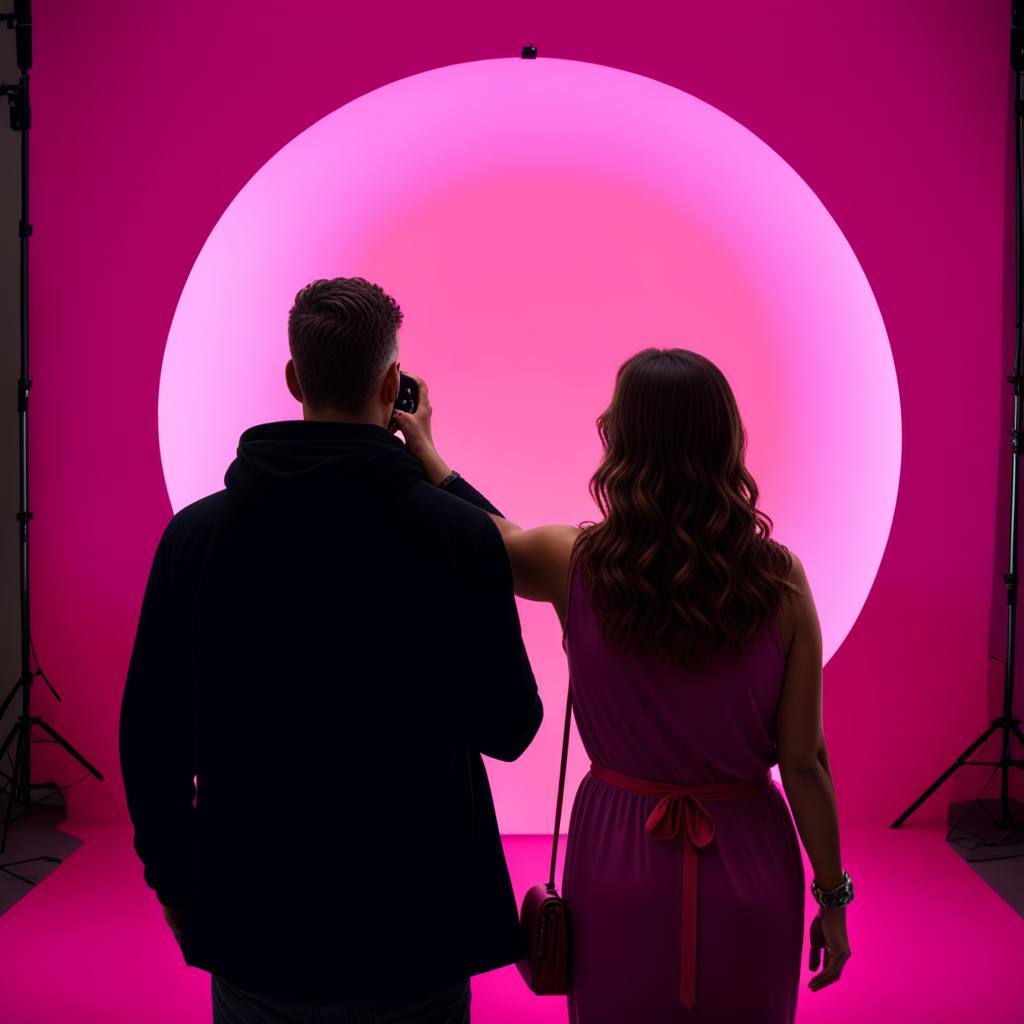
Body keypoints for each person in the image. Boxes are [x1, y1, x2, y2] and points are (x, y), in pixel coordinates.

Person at [118, 276, 543, 1024]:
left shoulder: (196, 541)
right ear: (393, 386)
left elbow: (151, 743)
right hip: (420, 934)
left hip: (255, 928)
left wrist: (181, 893)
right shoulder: (457, 539)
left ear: (293, 380)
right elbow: (512, 728)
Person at [392, 349, 853, 1024]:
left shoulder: (575, 563)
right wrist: (833, 900)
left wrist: (426, 451)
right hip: (752, 865)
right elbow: (805, 761)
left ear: (624, 441)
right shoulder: (782, 582)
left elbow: (487, 540)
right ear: (725, 440)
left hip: (618, 854)